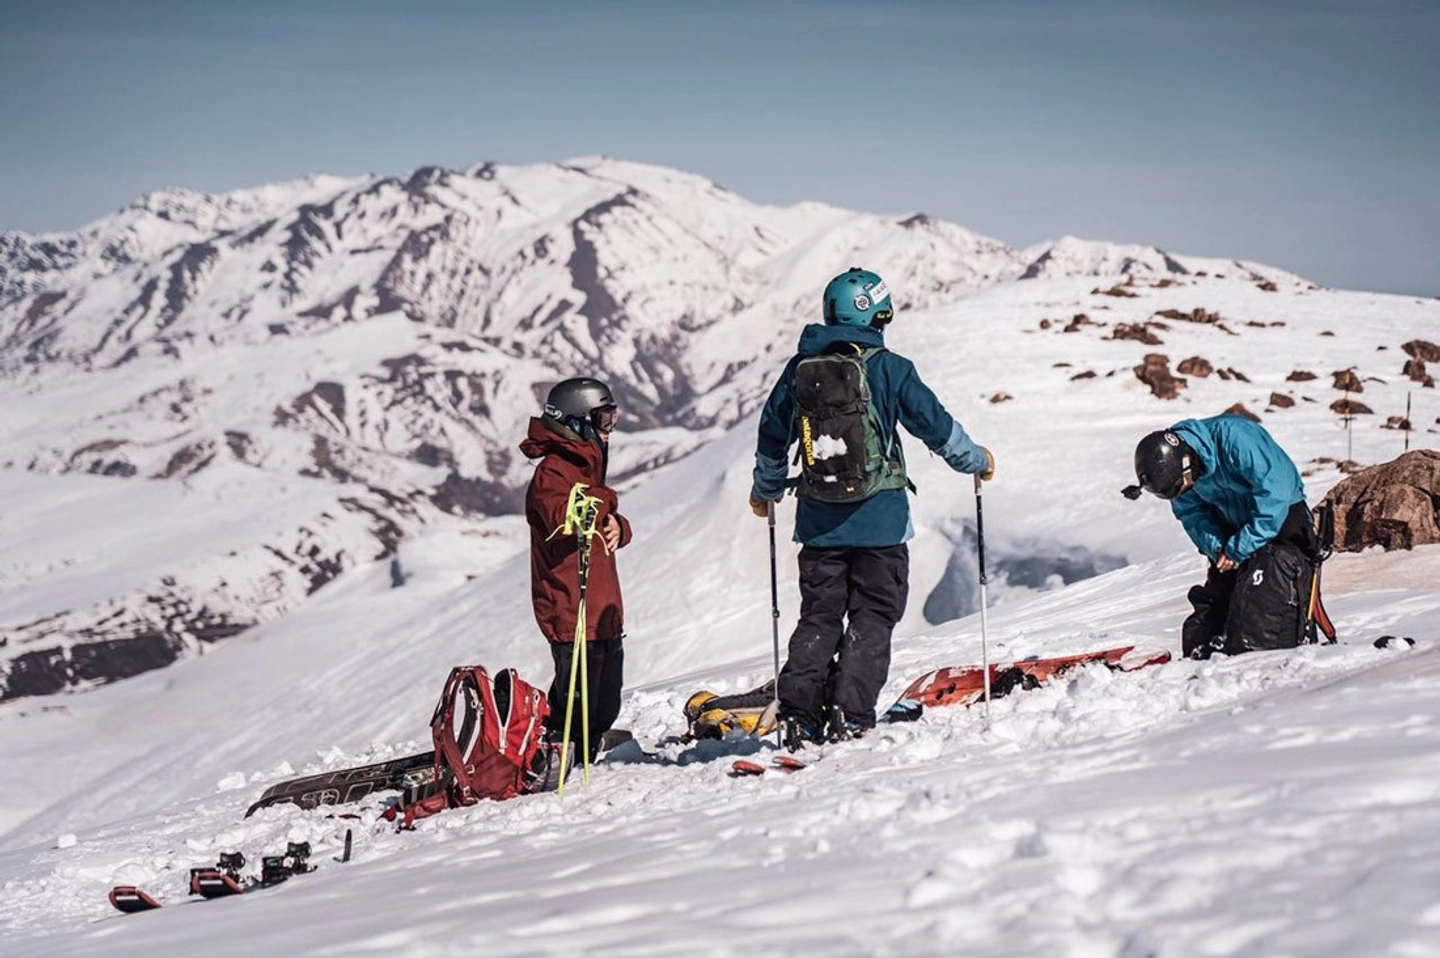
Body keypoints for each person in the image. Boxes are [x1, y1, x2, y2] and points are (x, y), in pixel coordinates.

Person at [749, 266, 993, 749]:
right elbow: (936, 427)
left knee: (819, 615)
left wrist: (767, 491)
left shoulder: (799, 371)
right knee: (873, 616)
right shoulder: (891, 368)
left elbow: (771, 437)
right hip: (881, 522)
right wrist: (976, 460)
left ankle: (799, 713)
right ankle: (851, 712)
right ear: (877, 315)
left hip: (819, 524)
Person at [1124, 415, 1321, 658]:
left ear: (1187, 461)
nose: (1186, 490)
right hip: (1230, 525)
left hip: (1281, 515)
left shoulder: (1236, 438)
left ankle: (1266, 647)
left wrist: (1240, 547)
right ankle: (1210, 649)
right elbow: (1192, 515)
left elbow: (1274, 492)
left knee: (1275, 579)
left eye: (1184, 485)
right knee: (1222, 592)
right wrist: (1219, 550)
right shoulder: (1179, 473)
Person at [520, 377, 631, 762]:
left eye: (612, 417)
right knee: (577, 696)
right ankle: (560, 747)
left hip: (601, 605)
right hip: (570, 604)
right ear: (576, 421)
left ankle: (590, 739)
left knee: (605, 694)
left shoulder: (584, 465)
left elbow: (598, 517)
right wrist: (608, 499)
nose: (609, 428)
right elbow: (563, 516)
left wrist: (620, 525)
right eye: (603, 419)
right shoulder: (553, 471)